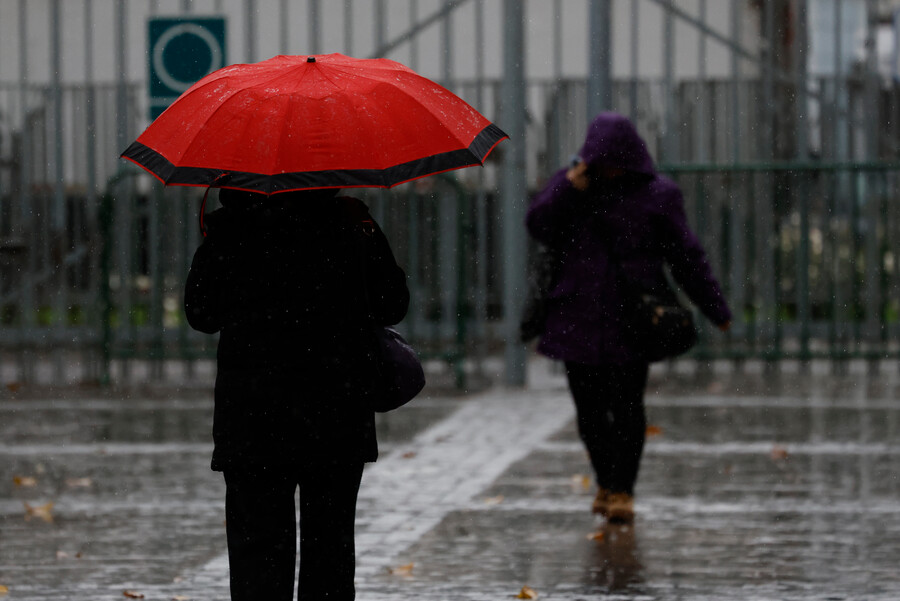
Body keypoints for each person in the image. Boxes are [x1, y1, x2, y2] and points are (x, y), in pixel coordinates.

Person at [184, 187, 409, 601]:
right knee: (331, 548)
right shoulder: (352, 221)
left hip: (253, 414)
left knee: (258, 552)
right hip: (336, 409)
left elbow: (201, 314)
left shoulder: (230, 226)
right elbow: (392, 304)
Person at [525, 112, 732, 523]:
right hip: (576, 318)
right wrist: (568, 190)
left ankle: (622, 490)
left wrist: (714, 307)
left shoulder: (657, 195)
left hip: (630, 319)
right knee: (588, 410)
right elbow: (538, 225)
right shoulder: (569, 186)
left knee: (626, 407)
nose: (609, 169)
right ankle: (606, 482)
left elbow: (685, 255)